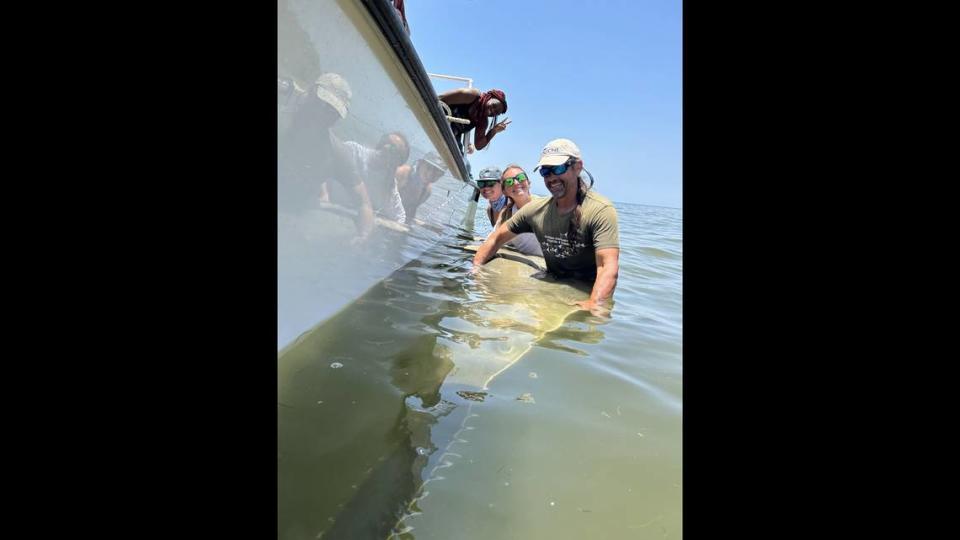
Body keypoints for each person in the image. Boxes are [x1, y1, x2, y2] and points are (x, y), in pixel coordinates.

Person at [472, 139, 620, 314]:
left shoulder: (601, 210)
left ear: (578, 167)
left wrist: (595, 303)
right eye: (545, 171)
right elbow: (496, 238)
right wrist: (475, 268)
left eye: (558, 169)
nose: (551, 178)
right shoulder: (535, 210)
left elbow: (607, 266)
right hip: (551, 284)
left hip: (585, 292)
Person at [491, 165, 543, 256]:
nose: (516, 183)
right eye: (509, 182)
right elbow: (493, 239)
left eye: (521, 177)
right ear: (504, 191)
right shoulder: (506, 213)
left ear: (529, 182)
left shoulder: (543, 207)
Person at [438, 88, 510, 153]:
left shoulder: (482, 121)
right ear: (490, 97)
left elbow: (479, 145)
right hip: (437, 121)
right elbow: (439, 100)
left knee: (466, 165)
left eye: (495, 113)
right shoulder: (472, 95)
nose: (492, 111)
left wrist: (494, 131)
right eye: (494, 106)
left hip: (449, 137)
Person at [396, 151, 446, 225]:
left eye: (437, 172)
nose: (430, 174)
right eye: (428, 167)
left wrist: (427, 226)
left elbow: (408, 214)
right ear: (420, 163)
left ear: (441, 175)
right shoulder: (402, 173)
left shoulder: (427, 191)